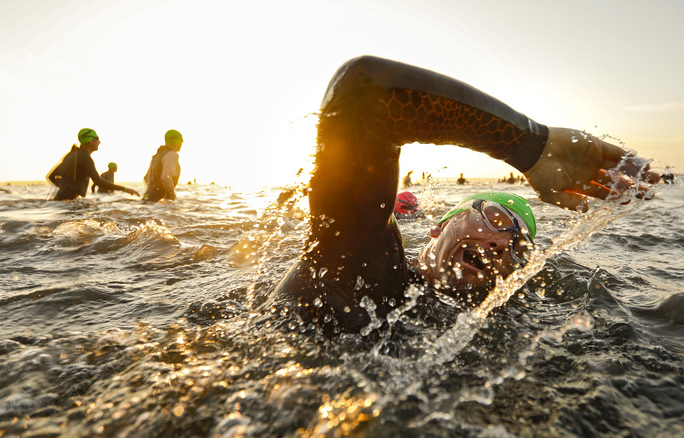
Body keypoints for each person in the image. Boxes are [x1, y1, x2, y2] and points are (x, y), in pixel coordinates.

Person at [269, 56, 659, 335]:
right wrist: (529, 146)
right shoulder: (362, 263)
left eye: (518, 247)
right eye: (497, 218)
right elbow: (363, 93)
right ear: (441, 226)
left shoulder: (489, 321)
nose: (502, 242)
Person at [47, 128, 140, 201]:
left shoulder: (71, 155)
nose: (99, 142)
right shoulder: (85, 157)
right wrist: (125, 189)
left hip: (61, 200)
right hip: (72, 202)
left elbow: (51, 176)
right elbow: (98, 181)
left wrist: (65, 189)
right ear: (91, 141)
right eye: (97, 139)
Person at [143, 129, 183, 201]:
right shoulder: (172, 154)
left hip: (148, 198)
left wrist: (152, 193)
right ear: (178, 141)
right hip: (160, 201)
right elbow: (165, 177)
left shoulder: (156, 156)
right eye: (181, 140)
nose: (182, 143)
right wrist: (172, 196)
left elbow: (146, 178)